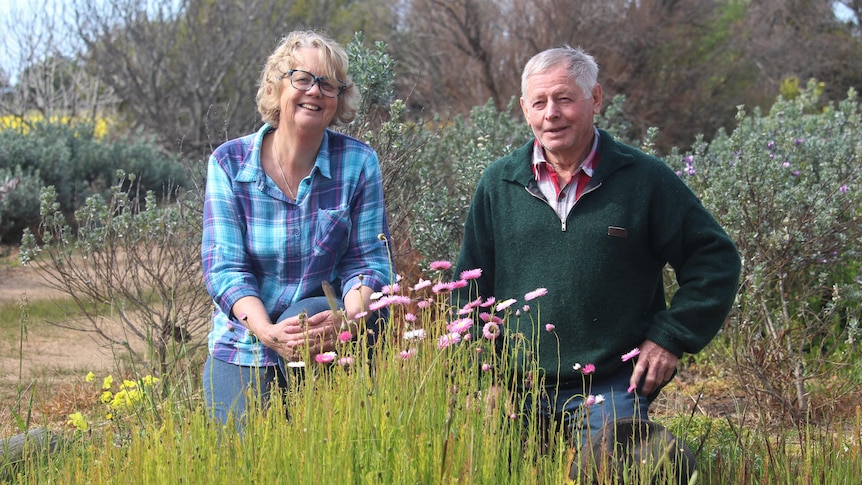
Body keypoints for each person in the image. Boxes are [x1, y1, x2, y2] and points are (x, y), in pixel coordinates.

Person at [453, 45, 740, 450]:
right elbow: (468, 291)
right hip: (516, 385)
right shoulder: (499, 184)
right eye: (539, 102)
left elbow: (715, 259)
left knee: (626, 467)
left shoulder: (644, 179)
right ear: (524, 108)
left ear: (596, 99)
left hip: (609, 381)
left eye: (564, 99)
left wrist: (671, 337)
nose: (551, 113)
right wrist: (481, 377)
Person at [201, 30, 394, 430]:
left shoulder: (358, 162)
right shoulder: (229, 163)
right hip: (247, 336)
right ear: (276, 86)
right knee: (242, 457)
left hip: (324, 330)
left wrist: (350, 320)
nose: (315, 91)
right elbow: (225, 270)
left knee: (324, 445)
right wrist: (269, 332)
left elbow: (369, 259)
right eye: (302, 78)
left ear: (340, 99)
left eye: (328, 84)